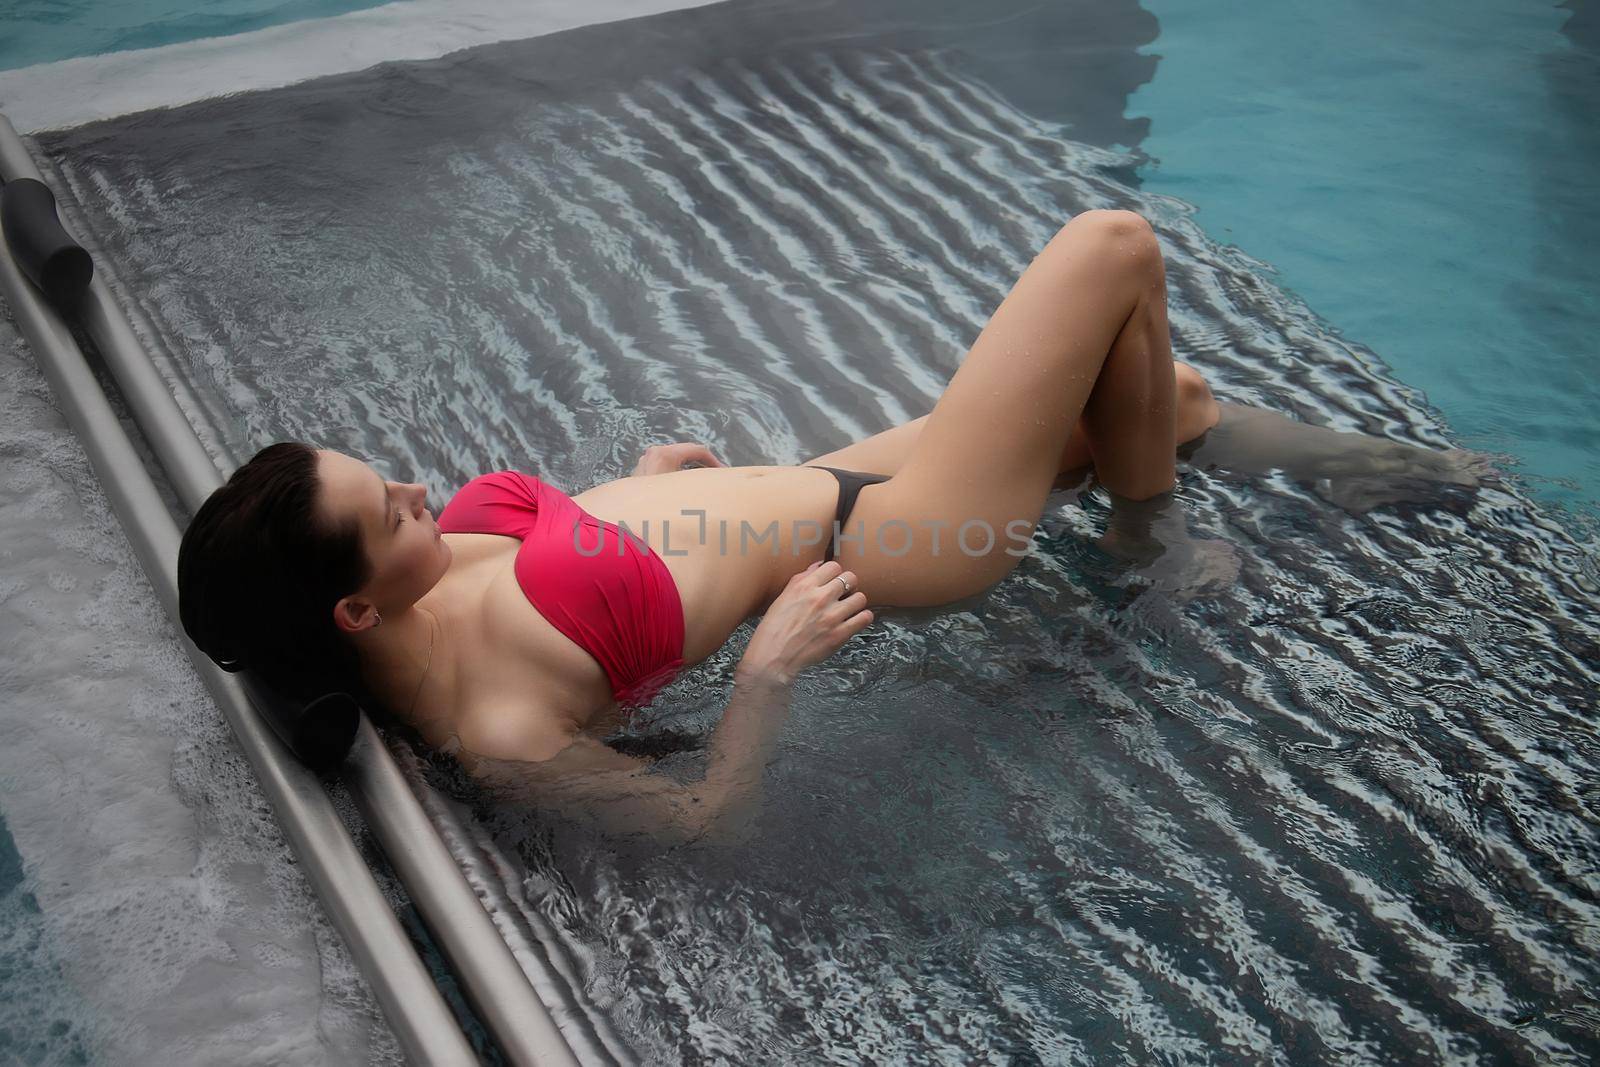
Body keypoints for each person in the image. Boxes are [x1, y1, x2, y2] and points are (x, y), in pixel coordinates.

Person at [178, 210, 1479, 842]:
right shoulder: (501, 733)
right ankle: (1156, 547)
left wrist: (630, 495)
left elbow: (577, 601)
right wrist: (768, 670)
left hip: (817, 485)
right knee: (1112, 249)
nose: (414, 489)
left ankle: (1386, 473)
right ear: (356, 608)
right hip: (902, 542)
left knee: (1160, 393)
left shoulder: (416, 587)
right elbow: (702, 822)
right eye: (387, 508)